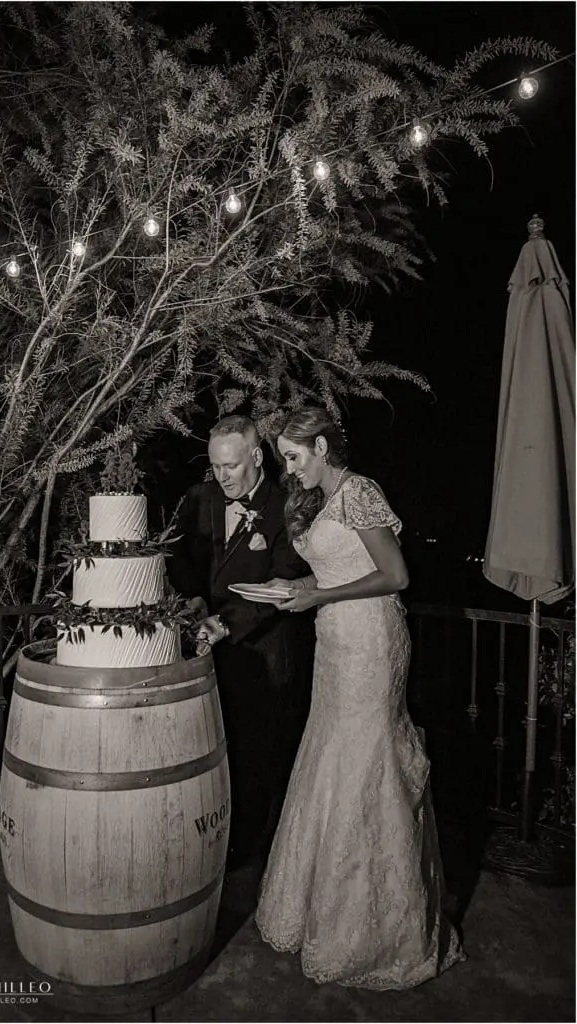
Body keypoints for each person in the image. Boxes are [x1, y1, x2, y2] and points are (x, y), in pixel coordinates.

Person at [255, 406, 464, 989]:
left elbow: (395, 575)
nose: (288, 470)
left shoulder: (360, 491)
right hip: (336, 647)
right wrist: (296, 586)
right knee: (331, 756)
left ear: (321, 447)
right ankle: (318, 908)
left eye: (293, 457)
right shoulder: (322, 500)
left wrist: (317, 597)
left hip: (372, 643)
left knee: (365, 763)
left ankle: (378, 932)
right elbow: (333, 573)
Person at [167, 415, 314, 869]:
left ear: (255, 456)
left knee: (257, 757)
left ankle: (250, 856)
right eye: (215, 466)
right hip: (205, 653)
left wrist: (224, 623)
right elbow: (179, 557)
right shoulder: (197, 498)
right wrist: (193, 600)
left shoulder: (287, 504)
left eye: (230, 466)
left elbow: (285, 578)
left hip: (262, 652)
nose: (222, 476)